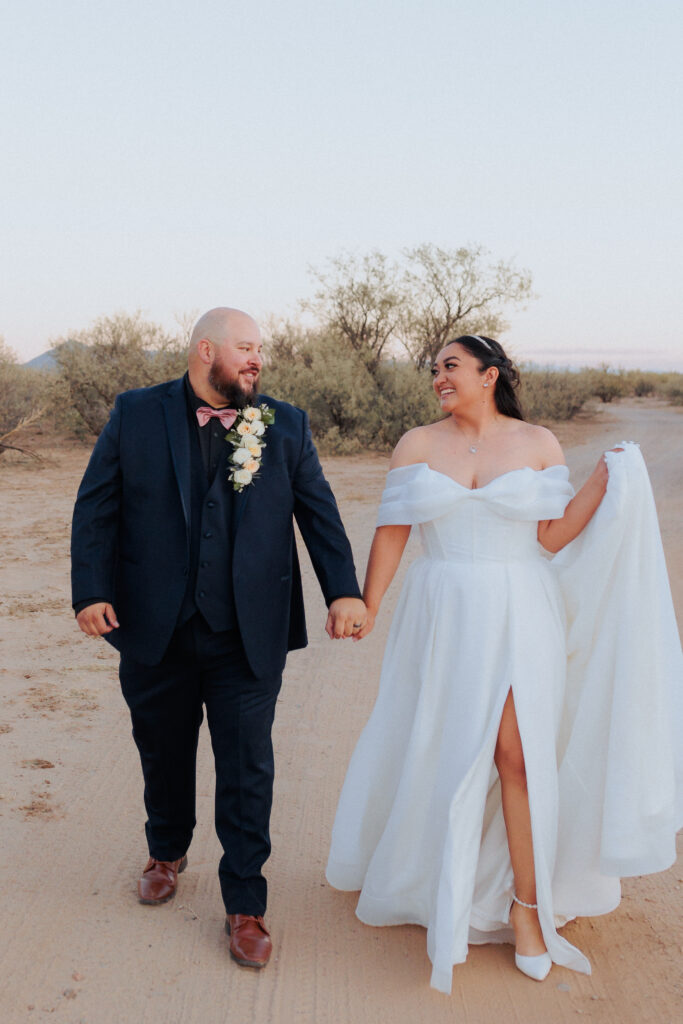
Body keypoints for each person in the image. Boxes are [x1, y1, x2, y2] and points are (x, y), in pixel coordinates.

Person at [326, 335, 682, 993]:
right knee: (445, 746)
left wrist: (604, 482)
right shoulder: (415, 444)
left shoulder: (537, 443)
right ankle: (439, 882)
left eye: (451, 367)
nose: (438, 377)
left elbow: (549, 534)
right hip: (441, 612)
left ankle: (526, 910)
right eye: (433, 369)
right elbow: (392, 533)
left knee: (514, 756)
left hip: (521, 608)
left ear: (489, 375)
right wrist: (367, 604)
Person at [71, 307, 366, 970]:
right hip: (154, 626)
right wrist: (90, 591)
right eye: (245, 348)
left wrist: (343, 588)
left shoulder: (283, 424)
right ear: (206, 350)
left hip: (247, 631)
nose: (257, 359)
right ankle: (166, 850)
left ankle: (245, 904)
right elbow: (97, 505)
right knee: (163, 749)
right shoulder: (136, 413)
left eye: (260, 349)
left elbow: (318, 511)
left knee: (246, 766)